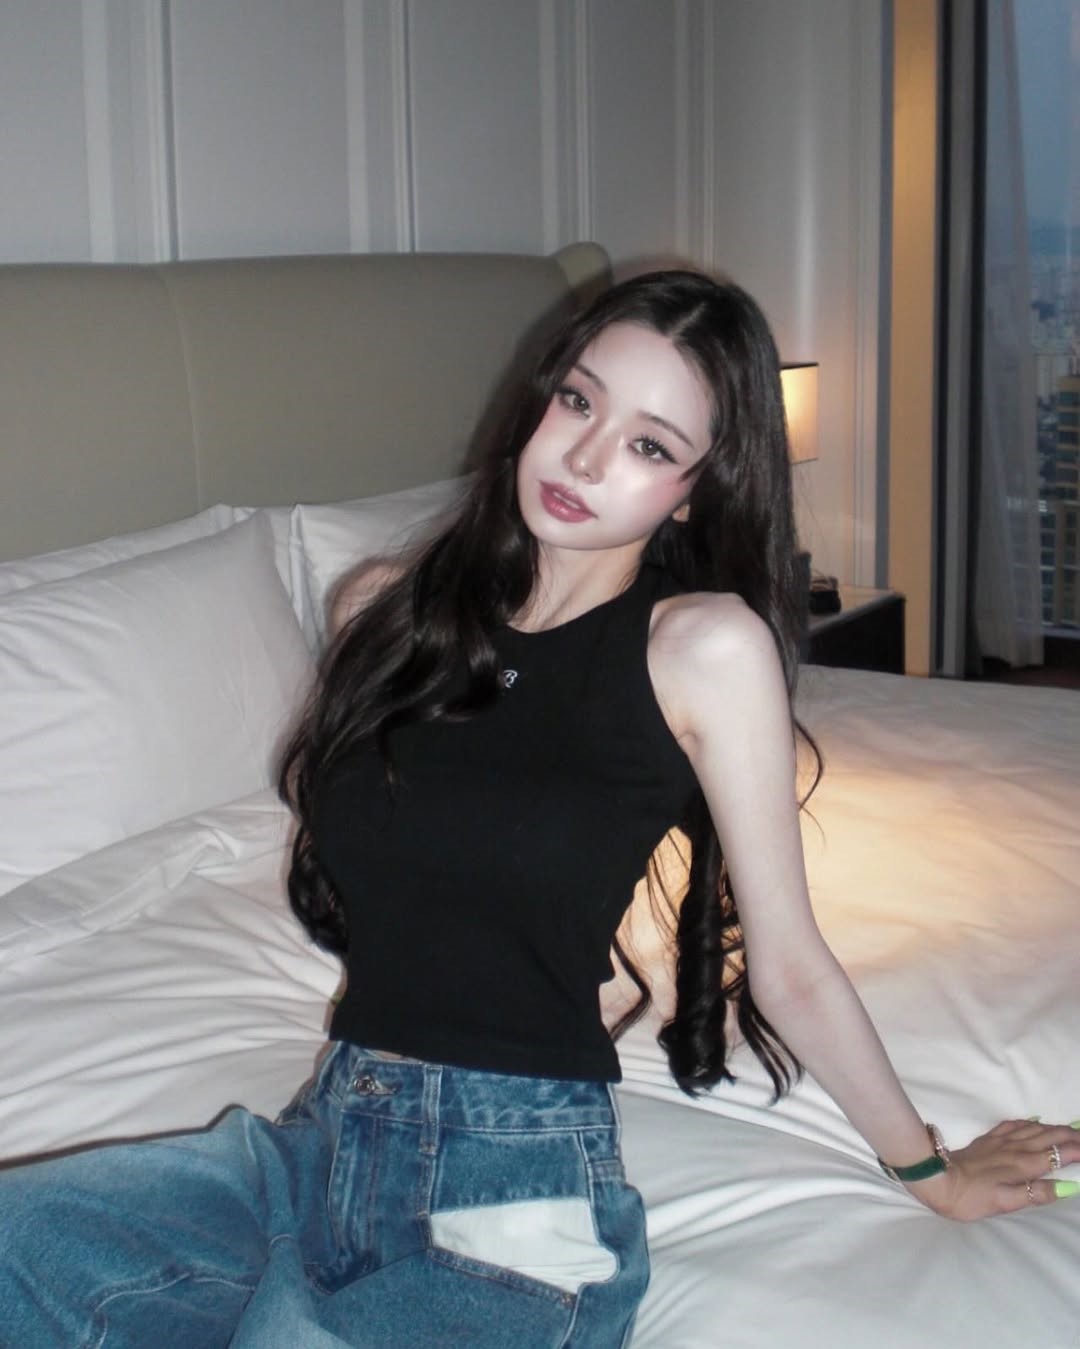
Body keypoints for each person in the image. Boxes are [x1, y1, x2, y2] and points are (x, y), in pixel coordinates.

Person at [0, 270, 1076, 1348]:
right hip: (319, 1141)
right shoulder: (381, 610)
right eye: (577, 400)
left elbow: (790, 964)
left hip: (515, 1189)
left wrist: (931, 1169)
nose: (587, 457)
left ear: (693, 491)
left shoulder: (702, 647)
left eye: (650, 444)